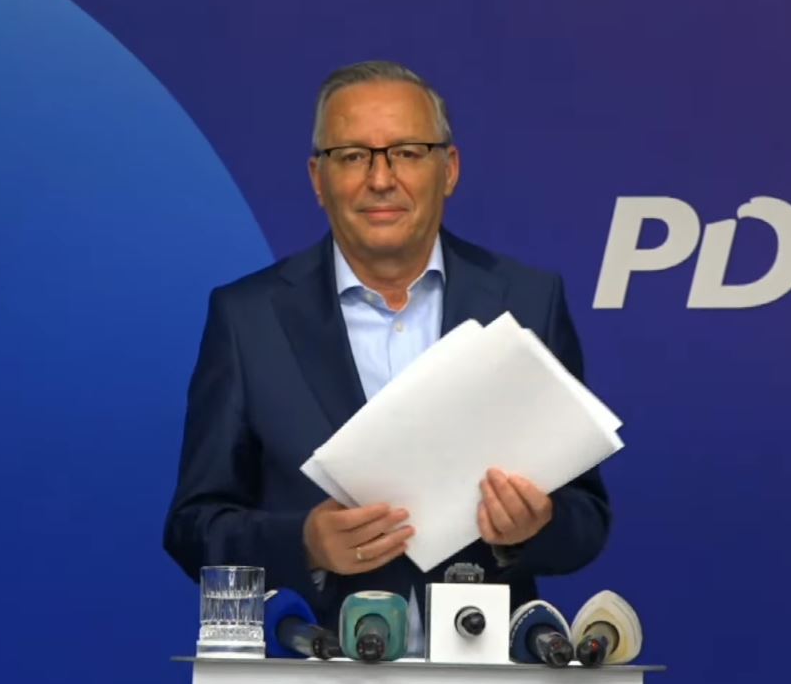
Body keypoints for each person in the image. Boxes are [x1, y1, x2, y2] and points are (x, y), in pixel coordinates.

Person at [163, 61, 610, 642]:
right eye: (353, 156)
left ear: (449, 169)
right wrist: (305, 543)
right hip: (318, 667)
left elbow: (587, 520)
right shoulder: (247, 318)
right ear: (317, 178)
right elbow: (193, 528)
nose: (380, 179)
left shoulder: (528, 300)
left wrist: (535, 526)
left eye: (407, 152)